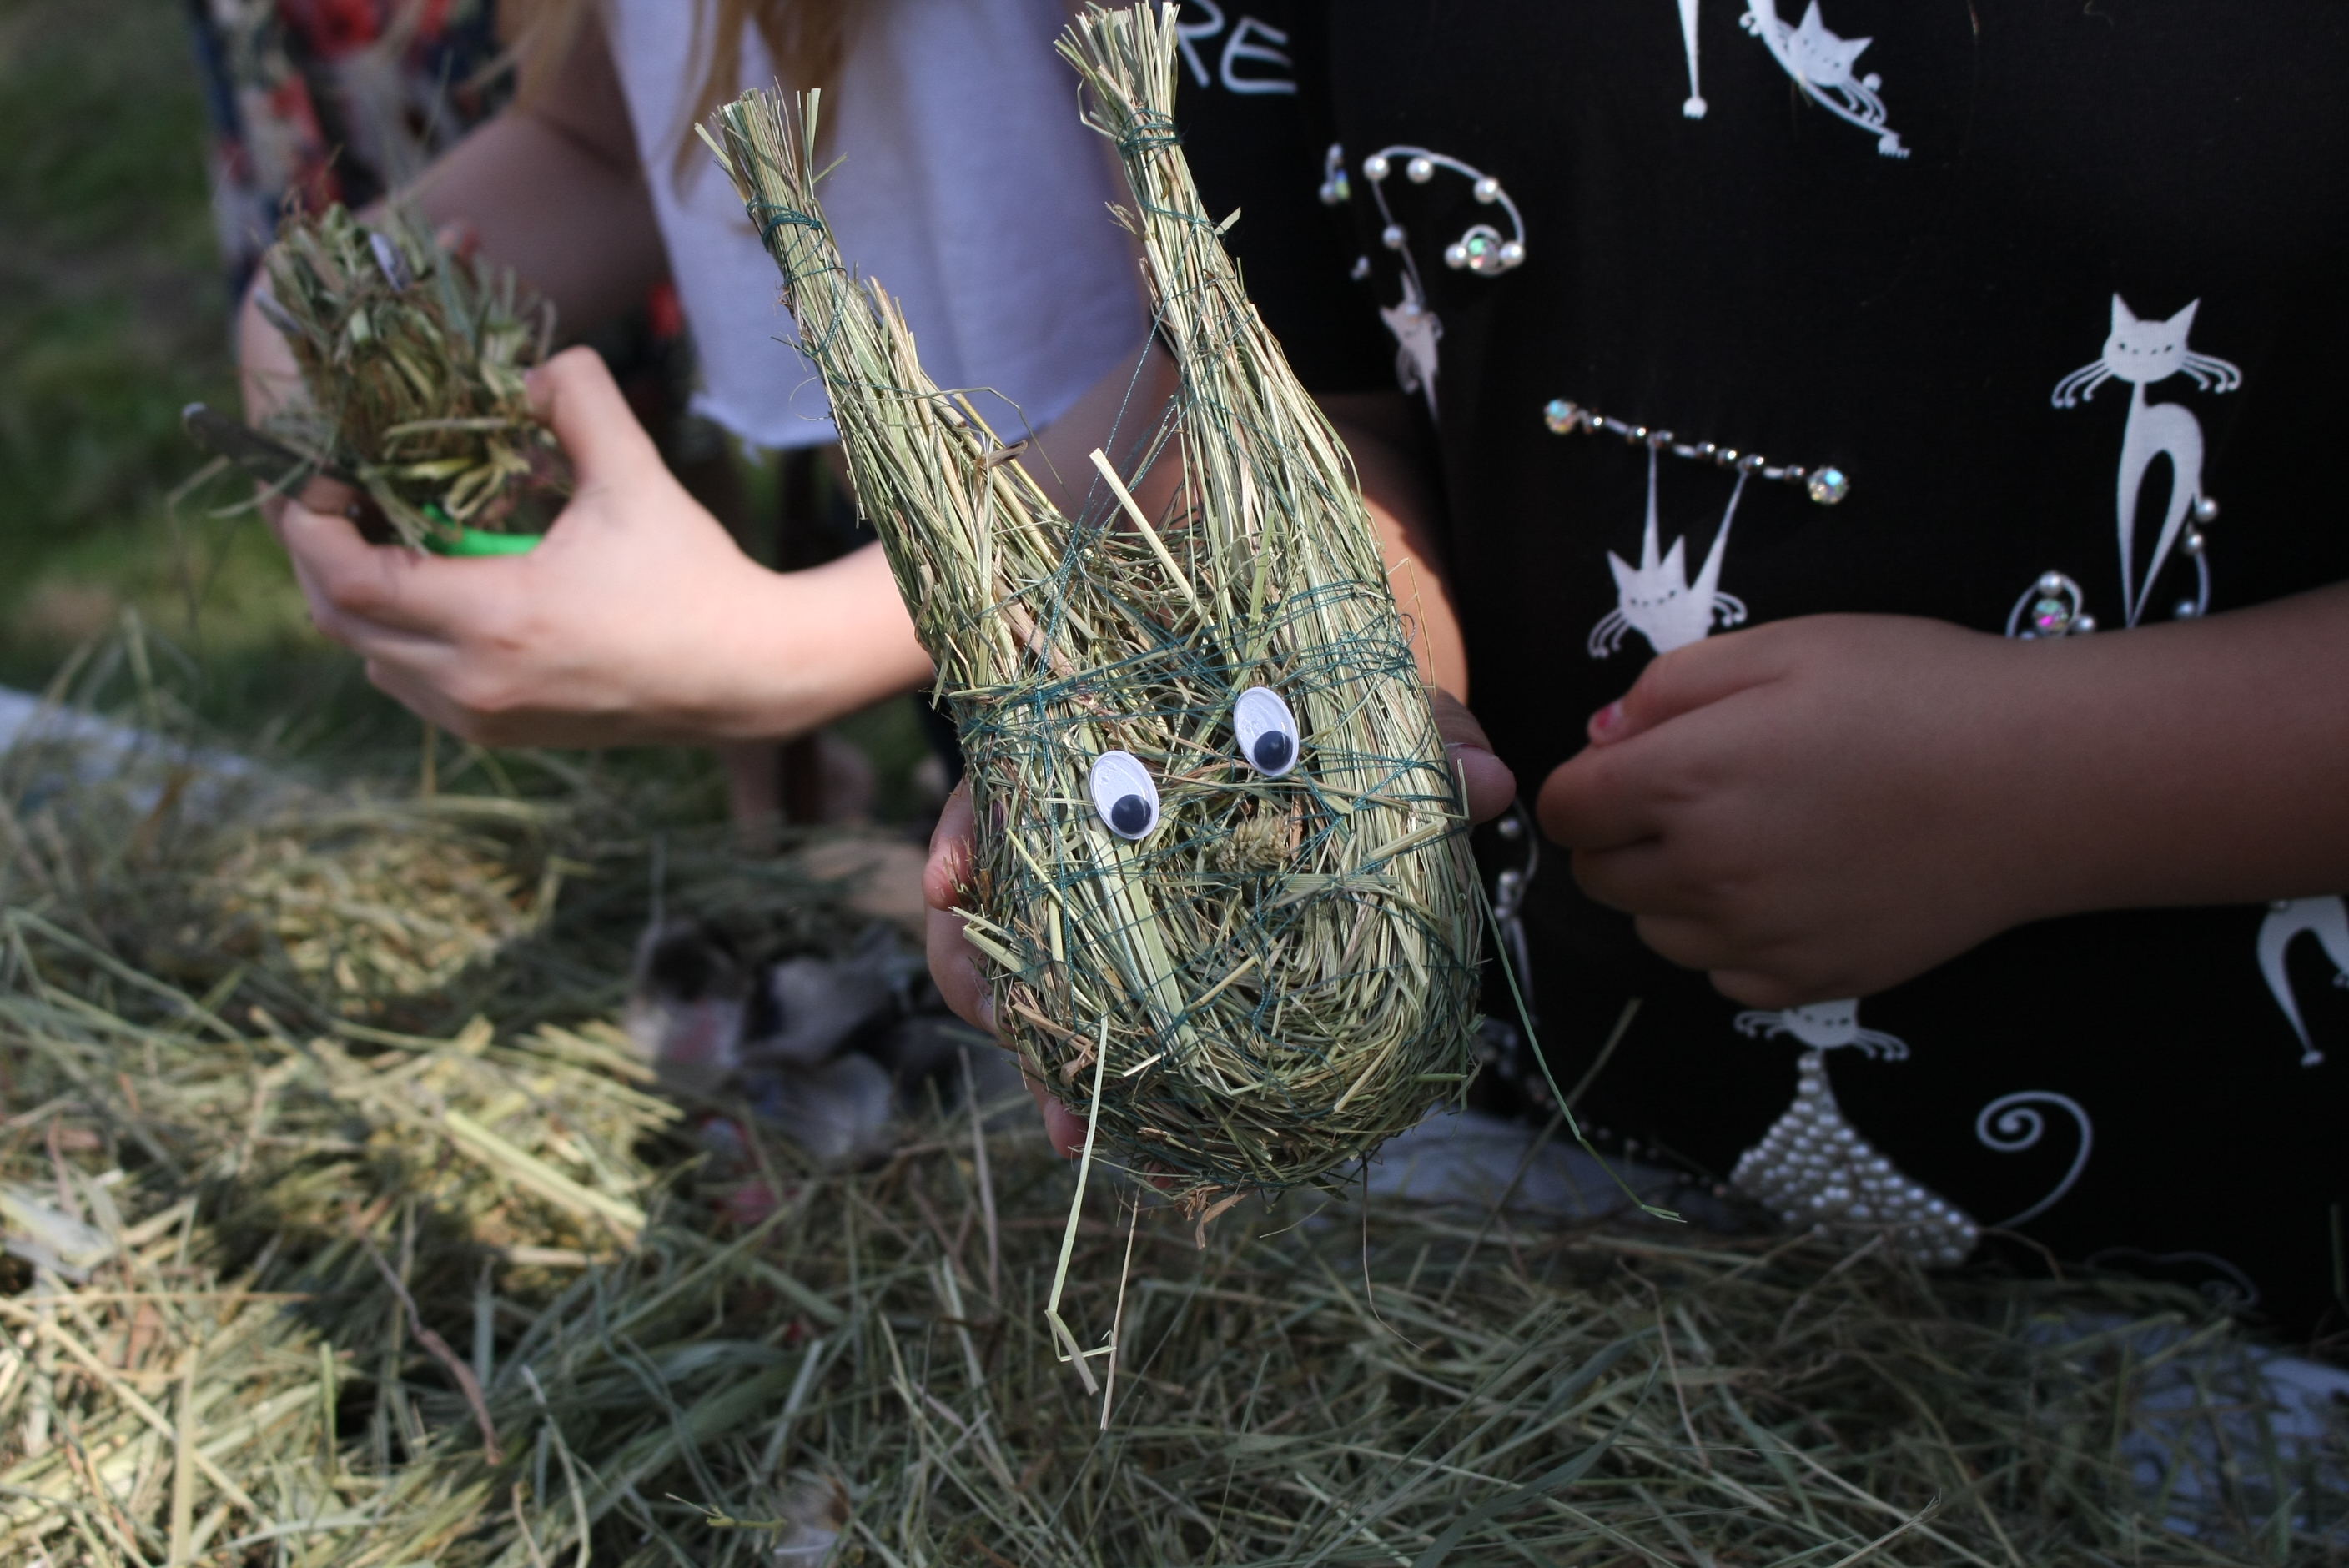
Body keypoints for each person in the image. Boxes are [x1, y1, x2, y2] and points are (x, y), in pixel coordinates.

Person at [923, 3, 2349, 1345]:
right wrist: (1311, 691)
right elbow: (1311, 398)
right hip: (1515, 1184)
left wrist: (2047, 782)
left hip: (2231, 1290)